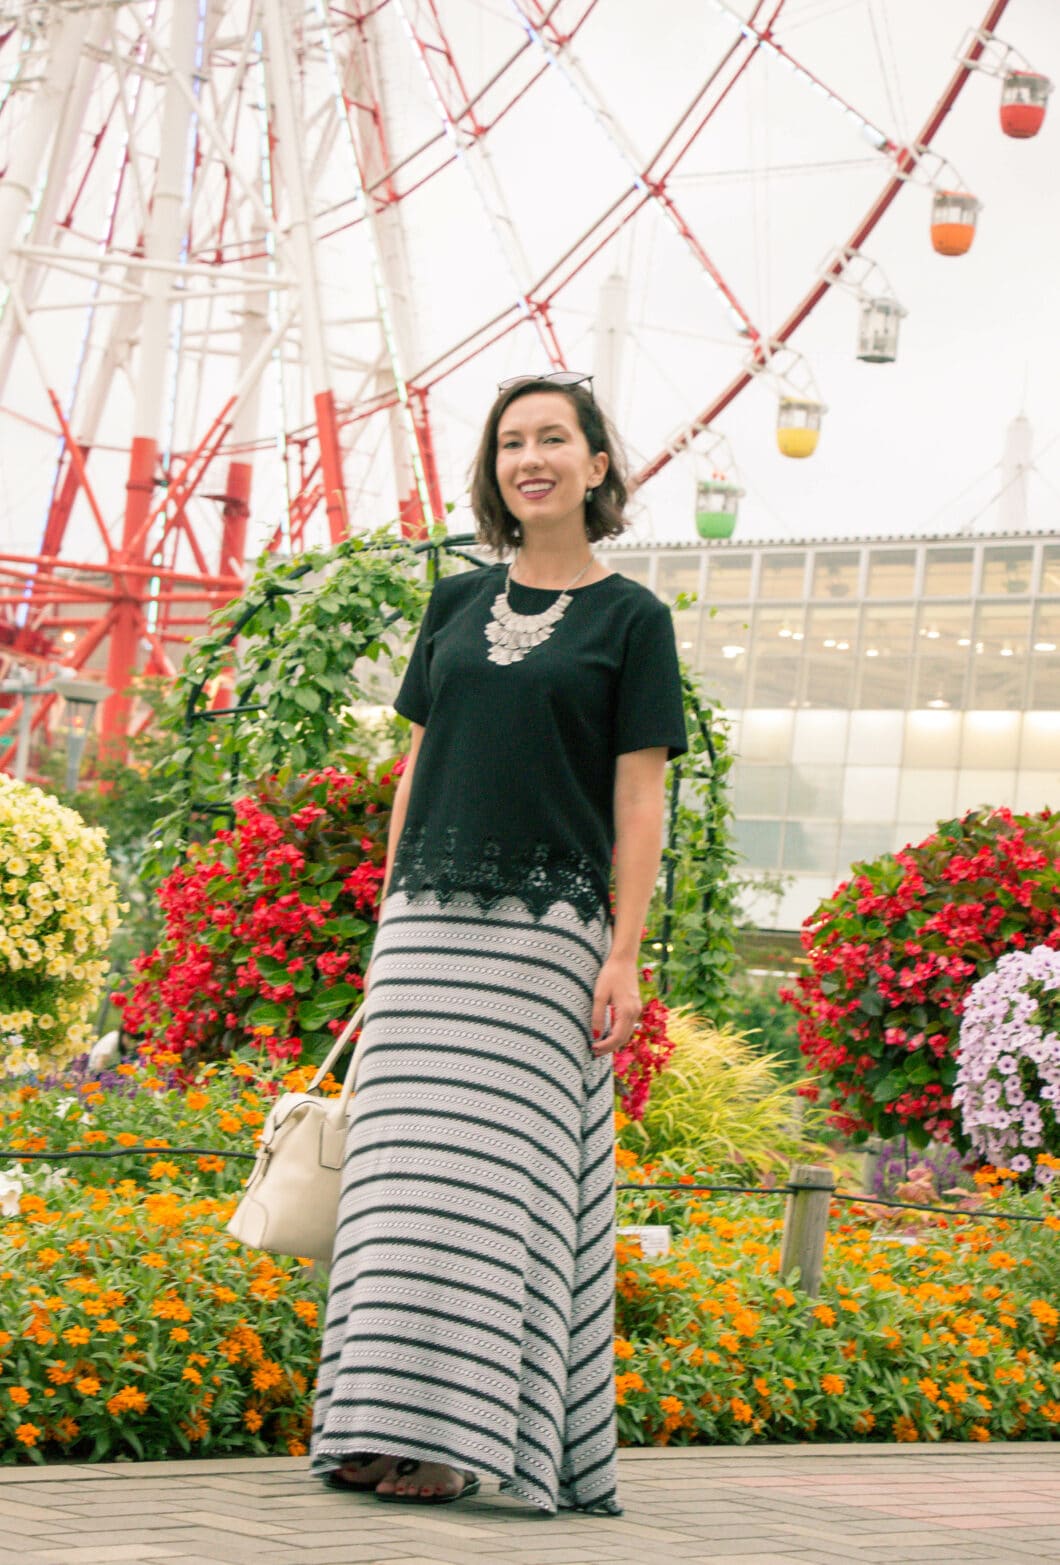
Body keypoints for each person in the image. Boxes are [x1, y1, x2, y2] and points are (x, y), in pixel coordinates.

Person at [310, 371, 687, 1514]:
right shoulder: (455, 604)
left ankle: (465, 1437)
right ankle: (369, 1426)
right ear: (497, 470)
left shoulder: (634, 620)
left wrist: (621, 952)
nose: (531, 458)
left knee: (492, 1188)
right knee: (395, 1182)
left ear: (596, 465)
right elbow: (418, 766)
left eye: (553, 439)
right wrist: (387, 910)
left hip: (545, 943)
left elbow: (638, 801)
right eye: (511, 442)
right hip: (424, 928)